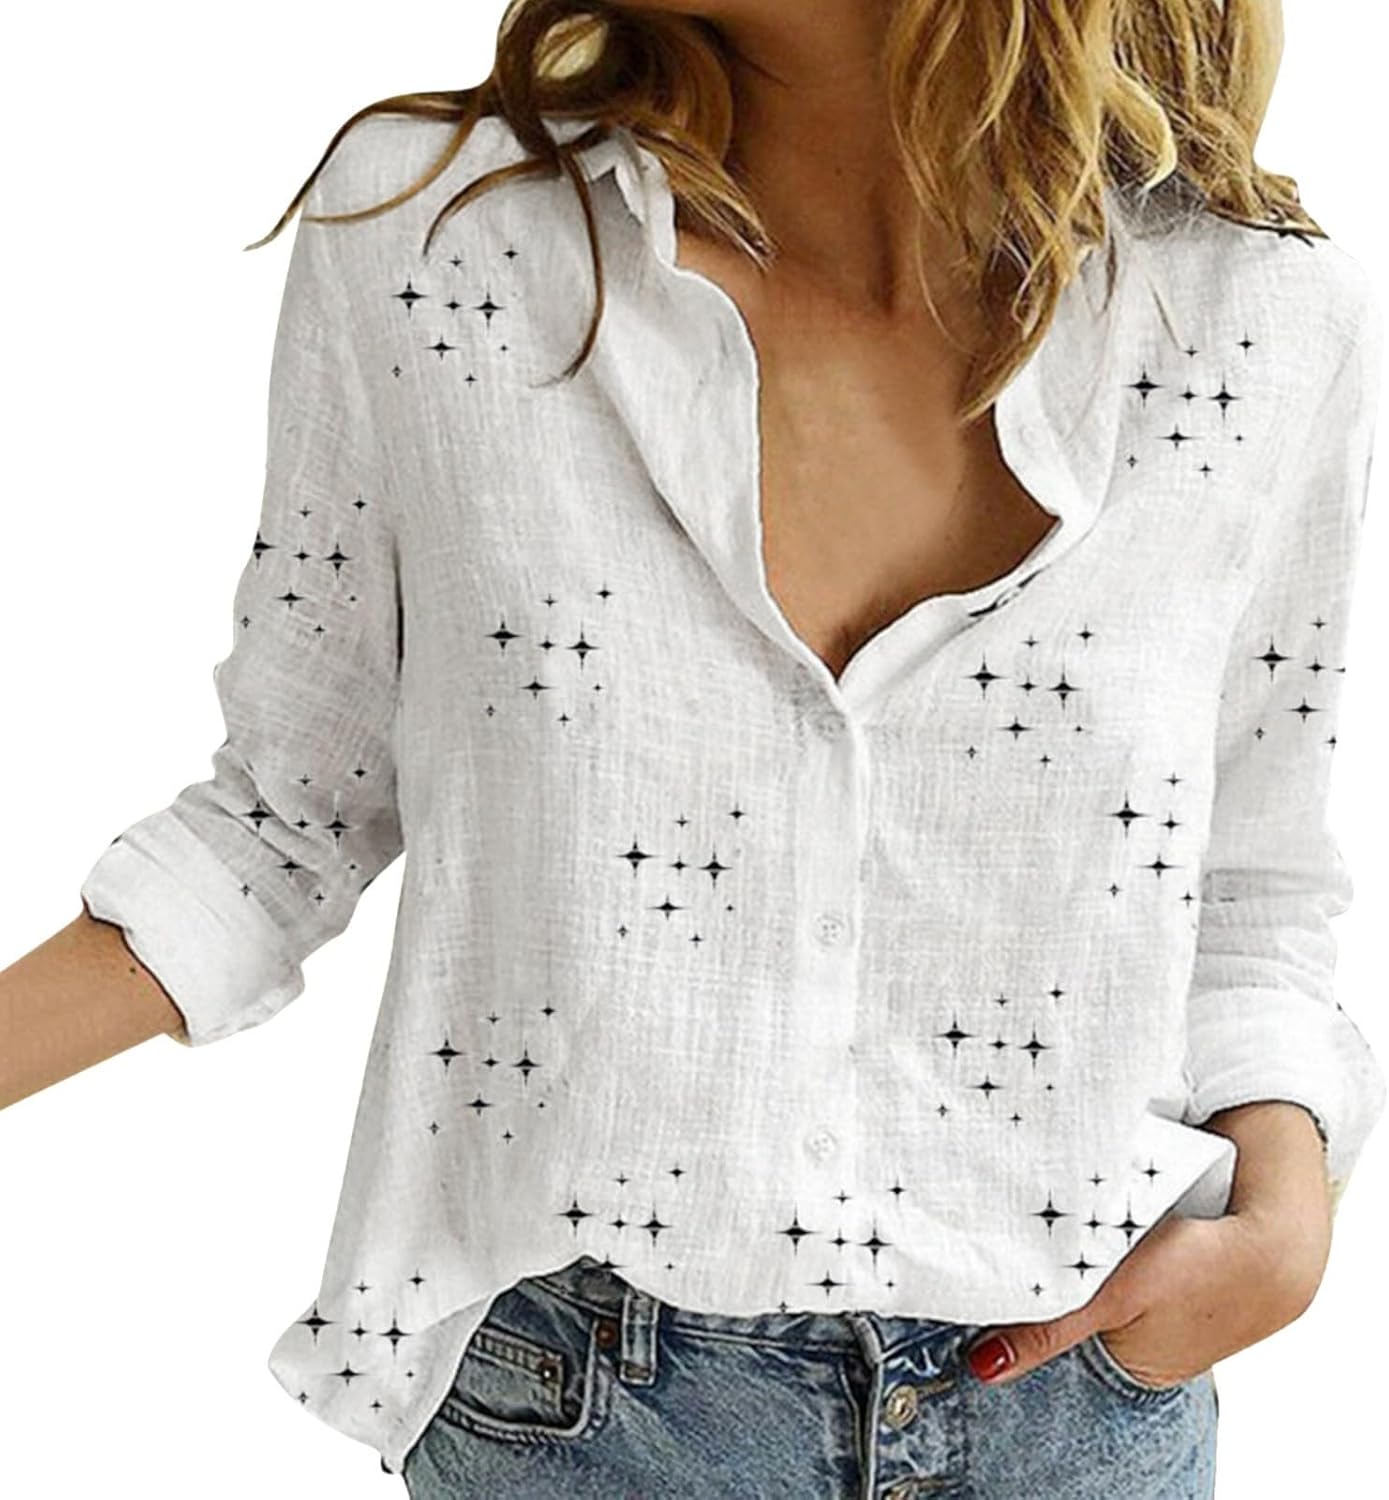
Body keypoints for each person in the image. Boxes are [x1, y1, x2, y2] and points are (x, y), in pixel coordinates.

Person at [3, 1, 1384, 1495]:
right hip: (592, 1416)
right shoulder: (439, 234)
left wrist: (1287, 1212)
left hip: (1086, 1409)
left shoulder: (1255, 317)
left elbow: (1246, 892)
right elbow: (279, 827)